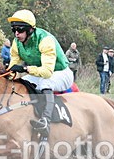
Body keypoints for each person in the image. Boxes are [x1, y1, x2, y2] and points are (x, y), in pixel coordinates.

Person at [6, 9, 73, 141]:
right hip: (39, 73)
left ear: (30, 29)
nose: (16, 33)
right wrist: (7, 74)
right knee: (19, 82)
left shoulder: (45, 40)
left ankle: (46, 122)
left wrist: (25, 68)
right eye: (13, 30)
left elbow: (47, 72)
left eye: (20, 29)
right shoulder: (16, 42)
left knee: (45, 83)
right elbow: (13, 68)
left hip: (60, 73)